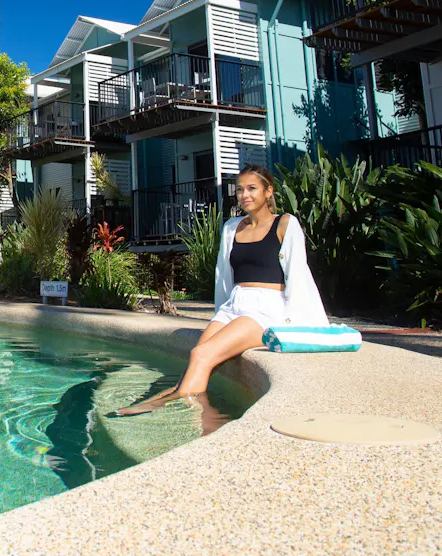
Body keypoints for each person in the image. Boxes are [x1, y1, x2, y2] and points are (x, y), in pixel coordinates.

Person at [112, 164, 328, 417]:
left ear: (268, 192)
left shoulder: (285, 224)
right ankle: (181, 400)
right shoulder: (232, 228)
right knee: (197, 356)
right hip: (235, 305)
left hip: (267, 310)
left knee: (203, 354)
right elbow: (224, 277)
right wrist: (221, 314)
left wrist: (293, 324)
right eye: (239, 190)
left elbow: (298, 274)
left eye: (251, 188)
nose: (244, 195)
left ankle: (194, 414)